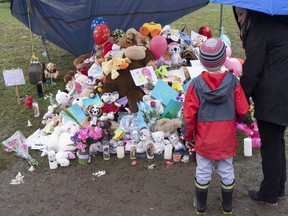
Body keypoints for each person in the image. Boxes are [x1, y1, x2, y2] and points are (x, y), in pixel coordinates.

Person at [182, 38, 249, 214]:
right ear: (223, 58)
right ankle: (227, 207)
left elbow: (189, 115)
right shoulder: (233, 81)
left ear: (202, 61)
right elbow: (242, 109)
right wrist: (246, 119)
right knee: (227, 169)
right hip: (226, 137)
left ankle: (201, 206)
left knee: (203, 170)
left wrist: (188, 136)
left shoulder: (196, 84)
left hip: (205, 139)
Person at [233, 6, 288, 206]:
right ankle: (278, 187)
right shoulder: (279, 25)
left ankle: (269, 192)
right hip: (282, 92)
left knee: (271, 145)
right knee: (277, 140)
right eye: (237, 14)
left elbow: (252, 69)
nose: (239, 19)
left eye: (241, 14)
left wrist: (240, 98)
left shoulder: (260, 28)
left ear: (252, 10)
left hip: (273, 94)